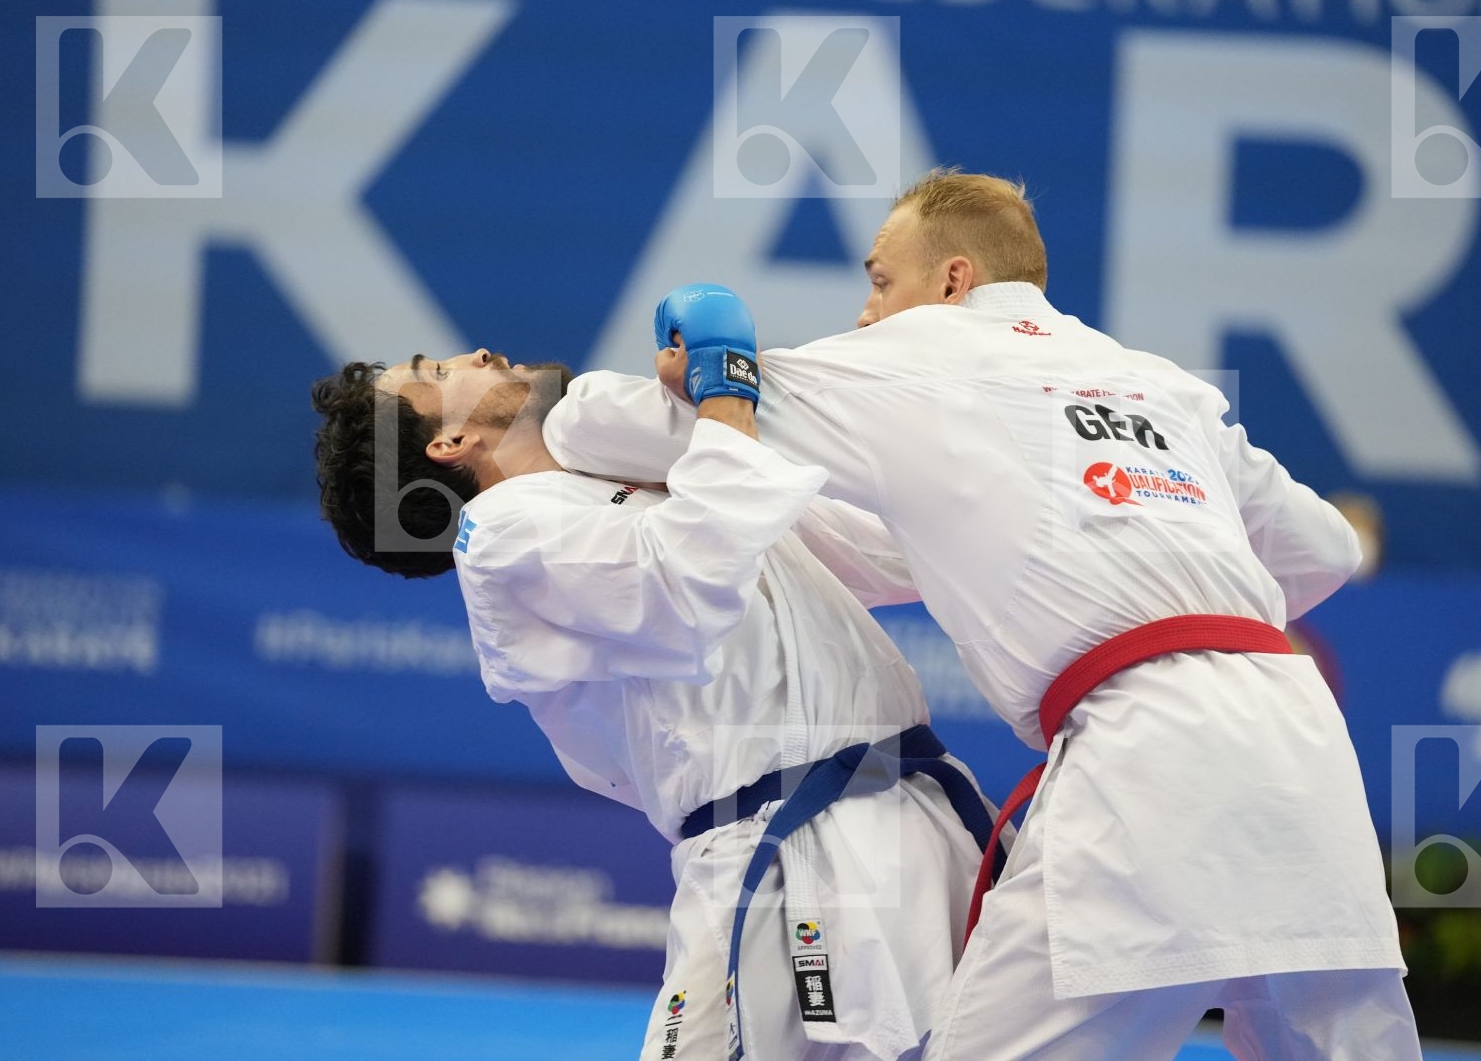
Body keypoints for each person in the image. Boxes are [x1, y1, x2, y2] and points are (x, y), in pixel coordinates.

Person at [542, 170, 1420, 1060]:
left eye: (881, 280)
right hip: (1303, 745)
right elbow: (1326, 550)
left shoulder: (919, 353)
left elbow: (605, 425)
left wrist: (644, 382)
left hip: (1147, 754)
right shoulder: (1159, 382)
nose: (865, 314)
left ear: (953, 282)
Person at [310, 347, 997, 1061]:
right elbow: (686, 580)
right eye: (439, 374)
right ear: (450, 444)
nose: (476, 354)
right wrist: (723, 402)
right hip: (779, 856)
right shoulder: (503, 533)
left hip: (921, 812)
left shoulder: (664, 481)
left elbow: (887, 552)